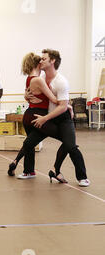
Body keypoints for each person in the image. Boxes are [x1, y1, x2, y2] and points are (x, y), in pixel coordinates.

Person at [12, 49, 89, 187]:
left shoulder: (61, 82)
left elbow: (63, 107)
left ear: (52, 61)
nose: (40, 61)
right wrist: (26, 95)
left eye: (43, 59)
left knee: (71, 146)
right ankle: (31, 171)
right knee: (29, 142)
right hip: (49, 118)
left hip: (63, 118)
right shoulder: (40, 79)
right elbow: (34, 92)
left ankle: (82, 177)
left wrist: (47, 117)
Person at [7, 52, 58, 178]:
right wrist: (66, 104)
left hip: (29, 115)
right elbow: (53, 99)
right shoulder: (38, 79)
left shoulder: (29, 78)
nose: (42, 64)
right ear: (37, 64)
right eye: (40, 62)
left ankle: (28, 170)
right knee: (61, 137)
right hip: (38, 116)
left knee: (31, 143)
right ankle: (18, 162)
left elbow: (33, 96)